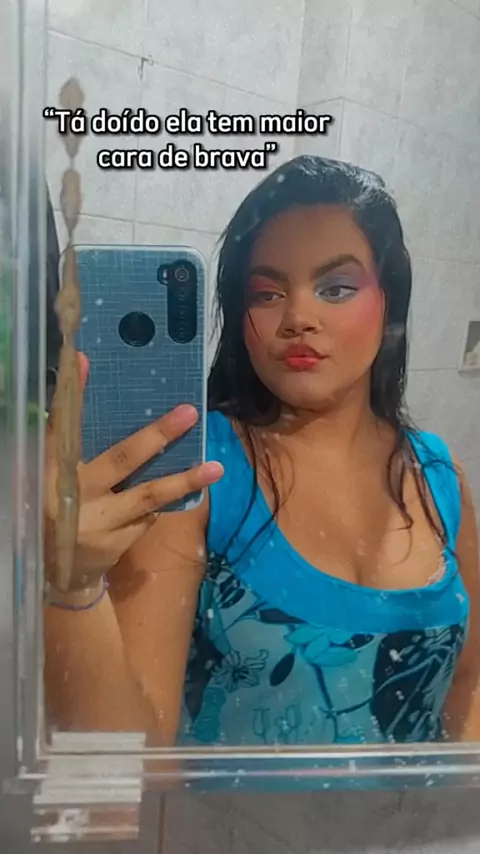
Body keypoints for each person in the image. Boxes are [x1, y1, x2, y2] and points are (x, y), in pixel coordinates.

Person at [44, 155, 480, 748]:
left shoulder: (439, 475)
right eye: (267, 293)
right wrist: (72, 586)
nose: (298, 317)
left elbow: (468, 688)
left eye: (336, 288)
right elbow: (142, 757)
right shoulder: (197, 474)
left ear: (389, 301)